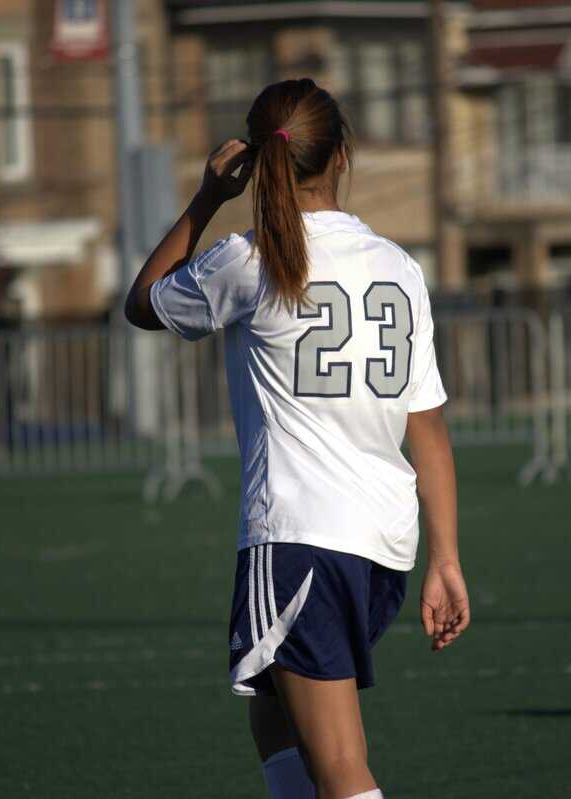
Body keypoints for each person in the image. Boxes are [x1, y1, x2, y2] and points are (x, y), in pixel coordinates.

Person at [124, 79, 470, 799]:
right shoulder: (400, 269)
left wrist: (206, 198)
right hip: (382, 545)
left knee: (341, 761)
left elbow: (143, 303)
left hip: (300, 538)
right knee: (273, 708)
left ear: (254, 161)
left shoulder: (249, 261)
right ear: (342, 154)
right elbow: (428, 429)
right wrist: (446, 560)